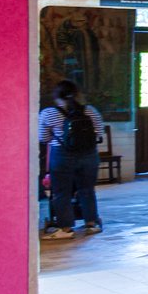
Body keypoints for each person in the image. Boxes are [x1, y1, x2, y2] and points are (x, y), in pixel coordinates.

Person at [39, 80, 105, 239]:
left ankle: (66, 229)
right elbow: (99, 133)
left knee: (62, 193)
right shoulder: (90, 110)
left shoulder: (49, 113)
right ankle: (92, 224)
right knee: (87, 190)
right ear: (77, 94)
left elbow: (43, 137)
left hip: (62, 155)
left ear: (56, 96)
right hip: (89, 155)